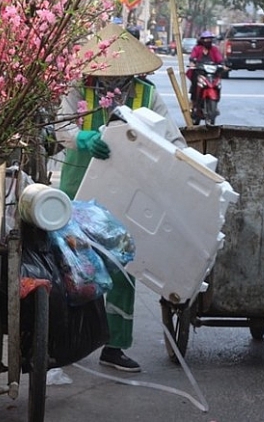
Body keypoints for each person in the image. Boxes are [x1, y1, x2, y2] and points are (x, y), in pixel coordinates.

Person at [56, 23, 186, 373]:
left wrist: (176, 161)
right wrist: (82, 138)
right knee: (72, 265)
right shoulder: (79, 88)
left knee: (122, 266)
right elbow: (59, 127)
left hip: (128, 192)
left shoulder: (147, 94)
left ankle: (114, 347)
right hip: (79, 188)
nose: (112, 79)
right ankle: (65, 343)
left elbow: (173, 139)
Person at [186, 30, 225, 102]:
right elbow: (193, 57)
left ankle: (217, 97)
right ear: (202, 40)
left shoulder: (214, 49)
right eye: (206, 39)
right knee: (195, 80)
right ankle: (194, 98)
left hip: (212, 71)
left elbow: (219, 58)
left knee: (217, 83)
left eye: (210, 39)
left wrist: (222, 64)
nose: (208, 41)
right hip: (200, 71)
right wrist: (193, 62)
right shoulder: (197, 49)